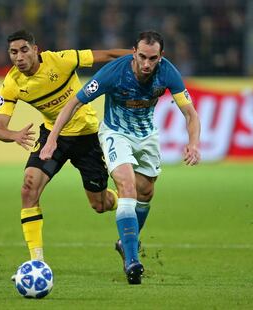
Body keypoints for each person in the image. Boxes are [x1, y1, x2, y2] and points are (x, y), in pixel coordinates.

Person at [40, 30, 201, 285]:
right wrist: (52, 139)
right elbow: (74, 103)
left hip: (147, 135)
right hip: (115, 133)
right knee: (127, 186)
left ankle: (123, 242)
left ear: (161, 56)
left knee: (146, 192)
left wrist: (193, 143)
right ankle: (132, 260)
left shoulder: (168, 72)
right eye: (143, 57)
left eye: (153, 58)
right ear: (134, 52)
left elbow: (190, 114)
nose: (147, 64)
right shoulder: (113, 73)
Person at [0, 29, 132, 268]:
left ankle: (127, 205)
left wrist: (137, 56)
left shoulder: (61, 60)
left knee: (100, 205)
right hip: (52, 137)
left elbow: (108, 55)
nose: (19, 57)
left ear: (36, 50)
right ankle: (36, 262)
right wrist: (14, 135)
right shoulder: (12, 83)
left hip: (87, 135)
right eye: (13, 52)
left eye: (24, 50)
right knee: (28, 188)